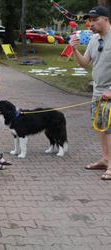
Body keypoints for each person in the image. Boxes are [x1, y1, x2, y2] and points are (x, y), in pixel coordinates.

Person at [70, 5, 111, 180]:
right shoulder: (94, 39)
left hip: (110, 92)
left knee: (109, 128)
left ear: (106, 19)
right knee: (101, 127)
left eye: (95, 20)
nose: (91, 24)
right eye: (90, 20)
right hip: (97, 91)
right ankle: (105, 159)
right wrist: (74, 49)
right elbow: (84, 63)